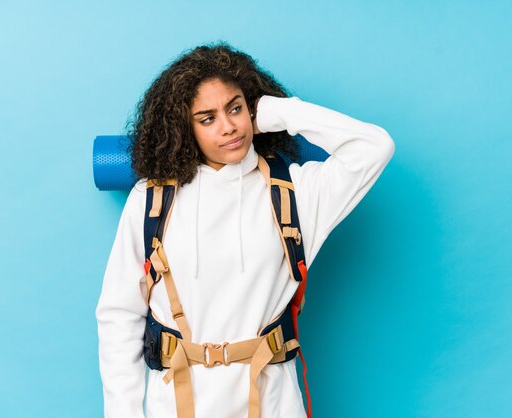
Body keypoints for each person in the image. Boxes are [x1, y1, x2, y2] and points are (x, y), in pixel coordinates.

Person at [96, 41, 395, 418]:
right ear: (184, 128)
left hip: (273, 403)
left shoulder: (297, 192)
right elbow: (119, 314)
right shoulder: (152, 199)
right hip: (175, 405)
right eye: (207, 118)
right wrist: (122, 413)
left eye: (235, 108)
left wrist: (276, 109)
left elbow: (374, 146)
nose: (229, 127)